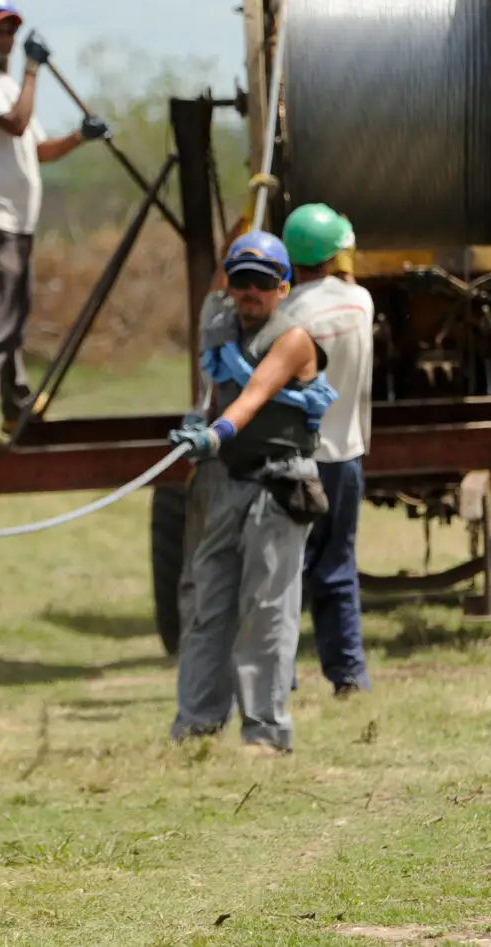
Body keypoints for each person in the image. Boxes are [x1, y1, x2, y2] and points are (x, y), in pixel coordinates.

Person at [167, 230, 337, 754]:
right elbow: (218, 394)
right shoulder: (221, 331)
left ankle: (265, 731)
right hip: (228, 483)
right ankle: (196, 724)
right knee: (207, 603)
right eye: (241, 280)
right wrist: (198, 419)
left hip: (279, 486)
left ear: (284, 287)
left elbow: (254, 396)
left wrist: (214, 434)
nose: (250, 292)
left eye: (263, 283)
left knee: (266, 610)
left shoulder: (293, 338)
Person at [0, 0, 109, 450]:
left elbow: (39, 150)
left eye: (9, 30)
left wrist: (82, 135)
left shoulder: (6, 83)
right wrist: (34, 71)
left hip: (18, 223)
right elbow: (17, 126)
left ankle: (15, 408)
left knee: (13, 321)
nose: (3, 38)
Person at [280, 203, 374, 696]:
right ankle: (349, 675)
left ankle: (280, 674)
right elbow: (350, 277)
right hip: (347, 459)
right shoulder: (362, 302)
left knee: (288, 569)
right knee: (338, 564)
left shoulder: (288, 316)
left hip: (300, 461)